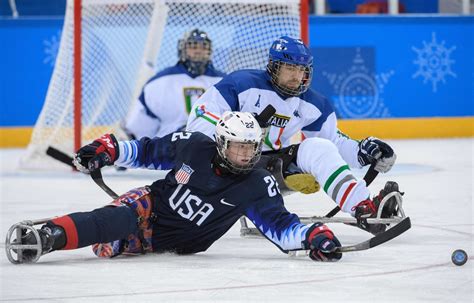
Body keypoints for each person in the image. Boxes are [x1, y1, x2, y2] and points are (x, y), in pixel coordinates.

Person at [11, 111, 349, 264]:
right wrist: (108, 150)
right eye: (238, 146)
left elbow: (281, 226)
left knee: (114, 243)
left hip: (177, 244)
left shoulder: (257, 184)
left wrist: (312, 236)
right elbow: (145, 150)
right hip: (152, 205)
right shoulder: (193, 145)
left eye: (251, 147)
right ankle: (46, 237)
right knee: (114, 222)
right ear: (220, 143)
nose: (246, 154)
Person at [186, 36, 399, 235]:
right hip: (230, 164)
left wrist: (365, 152)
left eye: (301, 69)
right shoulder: (240, 84)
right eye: (289, 68)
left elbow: (333, 141)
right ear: (273, 67)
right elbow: (200, 116)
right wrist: (240, 130)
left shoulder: (313, 104)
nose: (297, 76)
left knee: (319, 148)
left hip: (272, 168)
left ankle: (364, 209)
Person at [123, 29, 226, 139]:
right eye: (193, 46)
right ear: (183, 49)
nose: (198, 51)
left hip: (211, 149)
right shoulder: (159, 82)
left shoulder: (222, 81)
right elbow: (139, 129)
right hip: (168, 151)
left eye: (203, 47)